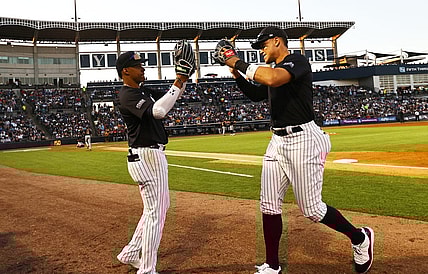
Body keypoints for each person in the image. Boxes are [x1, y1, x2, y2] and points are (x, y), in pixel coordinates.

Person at [213, 26, 374, 274]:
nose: (262, 50)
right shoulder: (274, 71)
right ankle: (272, 265)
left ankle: (359, 238)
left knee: (311, 209)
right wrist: (235, 73)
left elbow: (271, 79)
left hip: (304, 139)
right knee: (268, 204)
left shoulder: (297, 61)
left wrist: (234, 59)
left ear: (277, 41)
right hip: (278, 141)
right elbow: (257, 94)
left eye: (264, 45)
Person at [115, 41, 195, 274]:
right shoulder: (127, 94)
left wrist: (183, 77)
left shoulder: (141, 91)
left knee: (156, 209)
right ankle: (147, 270)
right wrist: (179, 78)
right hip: (147, 154)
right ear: (126, 71)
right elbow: (159, 112)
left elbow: (170, 99)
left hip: (148, 154)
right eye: (138, 66)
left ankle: (130, 252)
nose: (143, 69)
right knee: (155, 214)